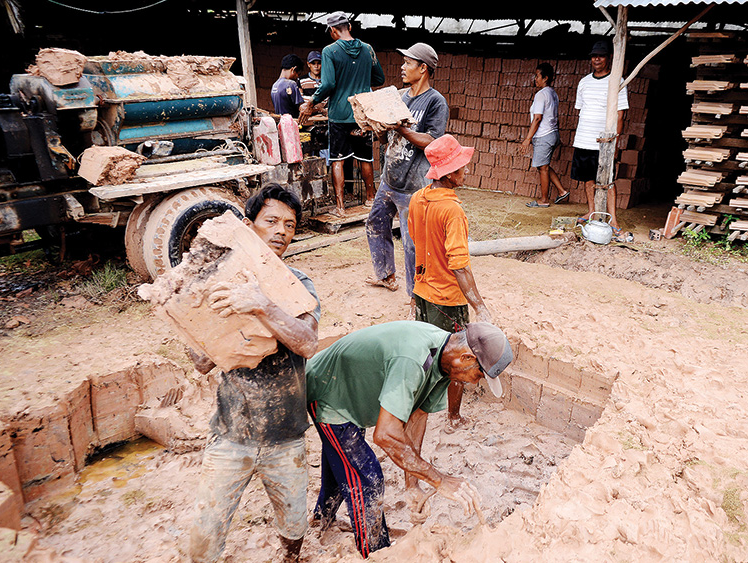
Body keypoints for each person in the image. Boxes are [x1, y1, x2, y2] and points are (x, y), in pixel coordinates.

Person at [187, 185, 321, 563]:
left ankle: (291, 558)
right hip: (232, 433)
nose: (281, 231)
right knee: (206, 531)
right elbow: (201, 361)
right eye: (272, 221)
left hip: (286, 434)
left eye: (290, 225)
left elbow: (307, 343)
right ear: (249, 226)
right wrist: (197, 305)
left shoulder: (300, 286)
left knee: (294, 524)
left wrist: (262, 305)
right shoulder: (221, 285)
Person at [305, 320, 513, 557]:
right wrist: (439, 479)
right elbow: (386, 435)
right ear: (466, 358)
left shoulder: (445, 360)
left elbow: (416, 418)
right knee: (367, 479)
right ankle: (377, 554)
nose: (476, 381)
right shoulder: (414, 359)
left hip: (351, 394)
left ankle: (322, 517)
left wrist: (412, 484)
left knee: (344, 461)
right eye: (479, 374)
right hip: (329, 393)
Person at [407, 134, 493, 432]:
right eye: (462, 167)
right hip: (448, 299)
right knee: (458, 358)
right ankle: (454, 417)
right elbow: (459, 264)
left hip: (422, 292)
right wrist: (480, 306)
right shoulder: (453, 210)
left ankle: (417, 409)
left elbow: (416, 241)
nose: (466, 171)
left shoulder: (419, 199)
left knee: (427, 355)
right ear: (449, 173)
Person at [364, 42, 448, 298]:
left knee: (412, 245)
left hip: (414, 187)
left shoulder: (435, 102)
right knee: (375, 224)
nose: (402, 67)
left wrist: (401, 128)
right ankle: (386, 276)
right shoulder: (399, 97)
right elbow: (387, 140)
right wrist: (380, 130)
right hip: (390, 179)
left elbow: (433, 141)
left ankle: (416, 297)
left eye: (408, 63)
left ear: (423, 69)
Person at [302, 11, 386, 217]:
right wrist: (361, 81)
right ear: (350, 27)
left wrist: (312, 101)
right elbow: (380, 78)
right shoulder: (368, 49)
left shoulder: (330, 51)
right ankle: (370, 199)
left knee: (338, 160)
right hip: (362, 114)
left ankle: (340, 207)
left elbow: (329, 83)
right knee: (365, 159)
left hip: (339, 114)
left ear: (333, 30)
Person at [571, 39, 633, 242]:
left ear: (609, 58)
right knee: (588, 179)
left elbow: (620, 116)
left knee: (608, 182)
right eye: (593, 56)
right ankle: (592, 212)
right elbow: (580, 110)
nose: (596, 59)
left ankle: (613, 219)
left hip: (604, 142)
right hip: (584, 138)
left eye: (601, 55)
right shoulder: (584, 82)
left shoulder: (617, 81)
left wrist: (614, 142)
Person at [521, 62, 569, 208]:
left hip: (543, 135)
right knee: (544, 166)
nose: (535, 79)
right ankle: (562, 191)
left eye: (537, 76)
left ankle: (543, 200)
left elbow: (537, 118)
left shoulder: (541, 95)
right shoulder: (552, 93)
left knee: (543, 167)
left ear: (545, 78)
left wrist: (527, 139)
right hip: (552, 133)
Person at [270, 54, 306, 119]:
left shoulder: (274, 85)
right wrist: (318, 109)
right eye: (298, 74)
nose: (297, 77)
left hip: (280, 124)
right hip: (292, 124)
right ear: (293, 69)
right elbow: (302, 108)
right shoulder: (291, 84)